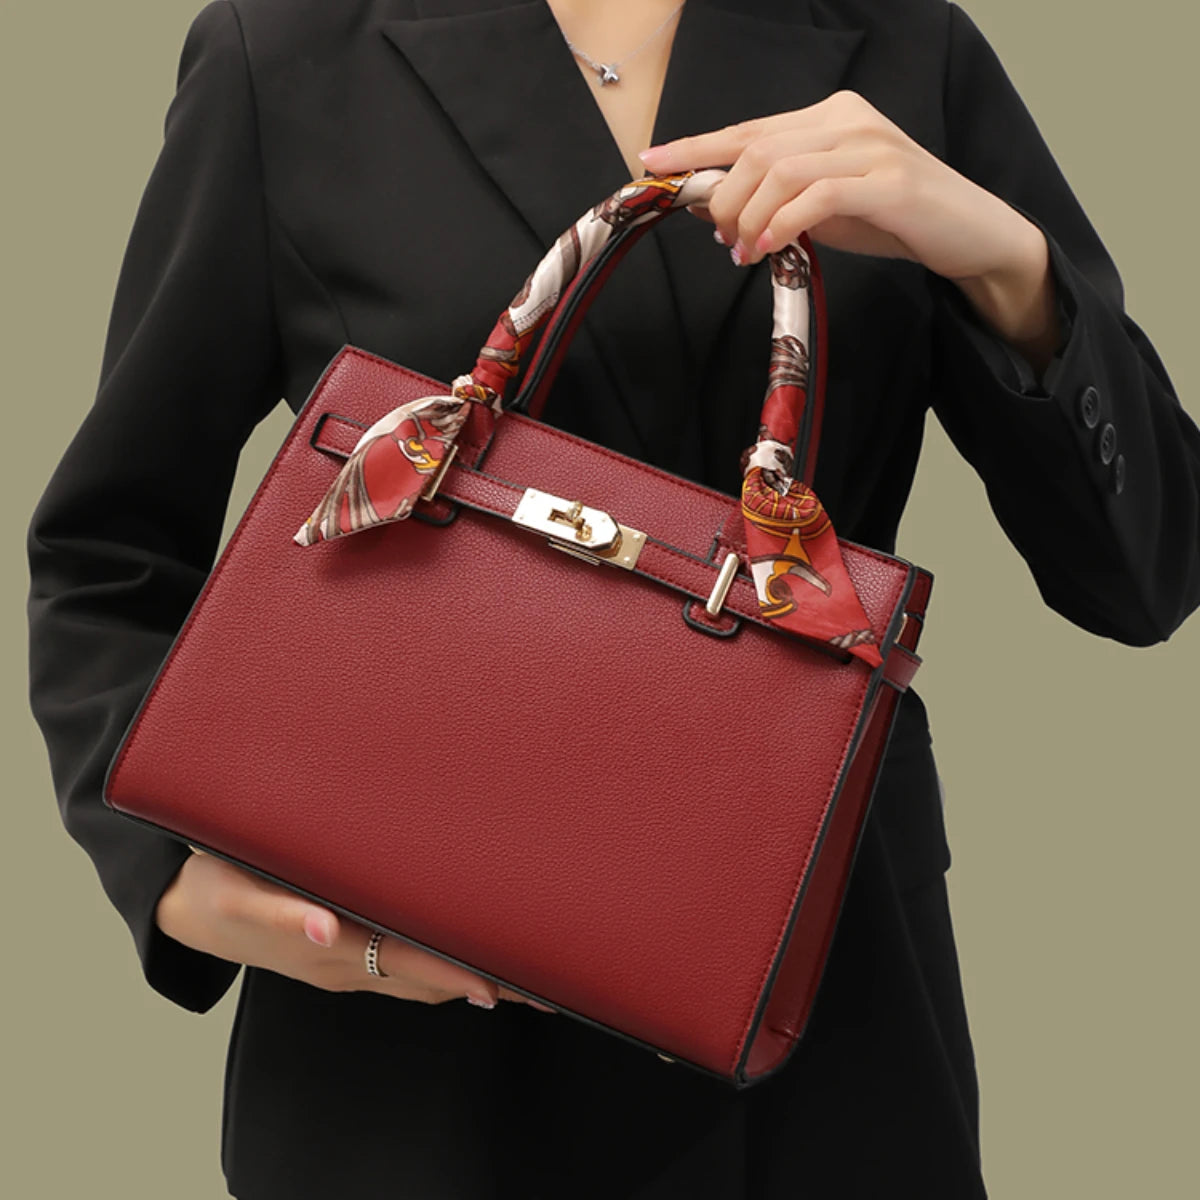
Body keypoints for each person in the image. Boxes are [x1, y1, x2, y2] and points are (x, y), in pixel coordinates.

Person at [25, 0, 1200, 1196]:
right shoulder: (281, 53)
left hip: (827, 999)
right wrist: (168, 878)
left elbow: (1142, 576)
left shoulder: (906, 44)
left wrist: (1010, 267)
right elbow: (106, 550)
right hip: (412, 1035)